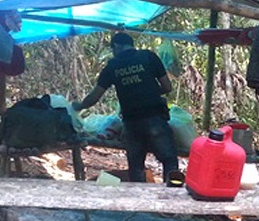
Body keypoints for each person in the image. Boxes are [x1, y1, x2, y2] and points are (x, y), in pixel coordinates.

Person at [73, 32, 181, 184]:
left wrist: (79, 106)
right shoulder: (148, 57)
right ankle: (171, 196)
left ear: (117, 46)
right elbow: (167, 87)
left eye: (113, 49)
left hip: (132, 123)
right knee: (169, 161)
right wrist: (149, 91)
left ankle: (137, 197)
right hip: (155, 118)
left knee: (136, 168)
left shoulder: (112, 66)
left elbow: (95, 96)